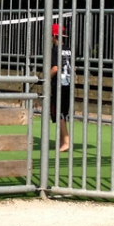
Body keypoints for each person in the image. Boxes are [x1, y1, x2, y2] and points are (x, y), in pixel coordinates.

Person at [49, 23, 72, 152]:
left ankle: (66, 142)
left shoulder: (55, 50)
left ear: (54, 36)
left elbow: (55, 68)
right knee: (62, 112)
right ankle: (62, 140)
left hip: (59, 84)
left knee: (60, 114)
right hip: (68, 84)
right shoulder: (69, 49)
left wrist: (45, 78)